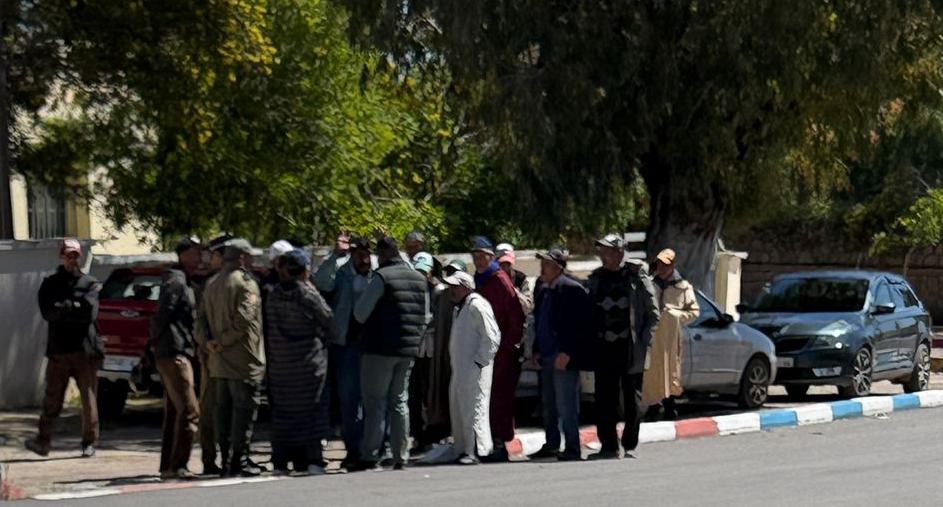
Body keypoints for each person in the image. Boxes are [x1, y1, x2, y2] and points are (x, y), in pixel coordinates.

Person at [352, 237, 429, 471]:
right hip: (408, 350)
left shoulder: (381, 277)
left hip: (379, 349)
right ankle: (400, 454)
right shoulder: (418, 278)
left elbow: (360, 313)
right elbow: (426, 317)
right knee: (399, 401)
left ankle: (370, 454)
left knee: (375, 402)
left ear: (383, 255)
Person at [25, 239, 104, 458]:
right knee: (52, 399)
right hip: (59, 351)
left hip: (84, 351)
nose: (72, 259)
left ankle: (89, 442)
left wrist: (65, 308)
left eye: (75, 255)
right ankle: (43, 441)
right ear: (61, 256)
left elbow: (89, 314)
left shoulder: (89, 283)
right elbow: (48, 313)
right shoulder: (50, 284)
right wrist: (74, 308)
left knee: (88, 400)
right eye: (68, 255)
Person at [196, 239, 266, 476]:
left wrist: (209, 342)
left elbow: (201, 321)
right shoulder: (246, 284)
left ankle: (226, 460)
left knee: (222, 414)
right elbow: (244, 320)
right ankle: (239, 460)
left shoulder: (212, 283)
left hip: (218, 361)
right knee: (243, 413)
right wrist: (223, 341)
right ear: (242, 258)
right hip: (243, 360)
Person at [586, 234, 659, 460]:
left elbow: (653, 314)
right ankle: (608, 446)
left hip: (629, 349)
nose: (604, 256)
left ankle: (630, 443)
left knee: (631, 401)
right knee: (604, 400)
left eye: (608, 251)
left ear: (619, 252)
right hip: (604, 347)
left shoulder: (636, 276)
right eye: (602, 251)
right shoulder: (596, 278)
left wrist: (644, 343)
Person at [264, 249, 334, 476]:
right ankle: (313, 459)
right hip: (309, 365)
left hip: (281, 365)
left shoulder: (274, 295)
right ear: (304, 271)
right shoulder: (307, 294)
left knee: (283, 414)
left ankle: (281, 462)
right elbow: (328, 318)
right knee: (311, 412)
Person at [312, 234, 374, 470]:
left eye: (366, 253)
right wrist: (334, 255)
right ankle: (353, 450)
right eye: (358, 252)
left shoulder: (377, 269)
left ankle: (373, 449)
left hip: (373, 346)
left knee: (374, 400)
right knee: (349, 401)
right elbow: (320, 283)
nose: (363, 257)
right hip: (346, 344)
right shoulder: (340, 269)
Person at [528, 247, 593, 462]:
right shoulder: (543, 289)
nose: (542, 268)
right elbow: (541, 322)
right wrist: (536, 350)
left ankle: (573, 447)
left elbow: (583, 326)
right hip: (546, 355)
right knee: (548, 405)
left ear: (558, 267)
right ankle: (552, 444)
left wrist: (568, 353)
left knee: (567, 406)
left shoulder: (572, 289)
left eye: (546, 264)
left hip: (563, 357)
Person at [150, 237, 203, 479]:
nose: (199, 258)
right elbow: (162, 315)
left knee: (175, 411)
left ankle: (167, 466)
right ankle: (178, 465)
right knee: (191, 411)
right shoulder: (176, 281)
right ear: (183, 255)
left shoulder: (184, 281)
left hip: (177, 351)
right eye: (195, 253)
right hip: (174, 353)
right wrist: (161, 347)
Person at [470, 236, 524, 462]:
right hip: (481, 348)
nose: (479, 260)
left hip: (501, 350)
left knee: (500, 398)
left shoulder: (499, 279)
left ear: (491, 257)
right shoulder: (479, 278)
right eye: (475, 256)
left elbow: (515, 313)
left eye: (482, 256)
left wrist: (509, 345)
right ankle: (487, 442)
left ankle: (500, 444)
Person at [444, 271, 501, 465]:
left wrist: (480, 362)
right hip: (460, 369)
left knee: (475, 408)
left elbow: (492, 337)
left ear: (466, 287)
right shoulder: (459, 308)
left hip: (475, 369)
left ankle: (476, 450)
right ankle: (463, 448)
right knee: (460, 408)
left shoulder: (477, 305)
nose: (451, 290)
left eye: (455, 286)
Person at [642, 248, 700, 421]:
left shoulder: (683, 287)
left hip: (670, 339)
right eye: (659, 263)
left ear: (672, 265)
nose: (661, 267)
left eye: (665, 264)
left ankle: (670, 405)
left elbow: (694, 311)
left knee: (671, 371)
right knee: (651, 372)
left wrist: (676, 315)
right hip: (652, 338)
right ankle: (653, 405)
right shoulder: (649, 285)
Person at [193, 233, 232, 475]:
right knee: (208, 409)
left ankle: (231, 458)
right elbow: (199, 322)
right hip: (211, 356)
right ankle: (209, 459)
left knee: (231, 410)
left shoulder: (237, 282)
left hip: (235, 356)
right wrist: (207, 342)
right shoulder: (206, 283)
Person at [424, 259, 466, 445]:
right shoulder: (441, 294)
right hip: (441, 349)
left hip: (459, 352)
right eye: (448, 272)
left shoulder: (470, 299)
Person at [408, 252, 438, 450]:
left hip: (430, 349)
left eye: (424, 272)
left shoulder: (437, 290)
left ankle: (432, 434)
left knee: (430, 393)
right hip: (413, 349)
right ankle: (418, 435)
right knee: (414, 395)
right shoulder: (410, 290)